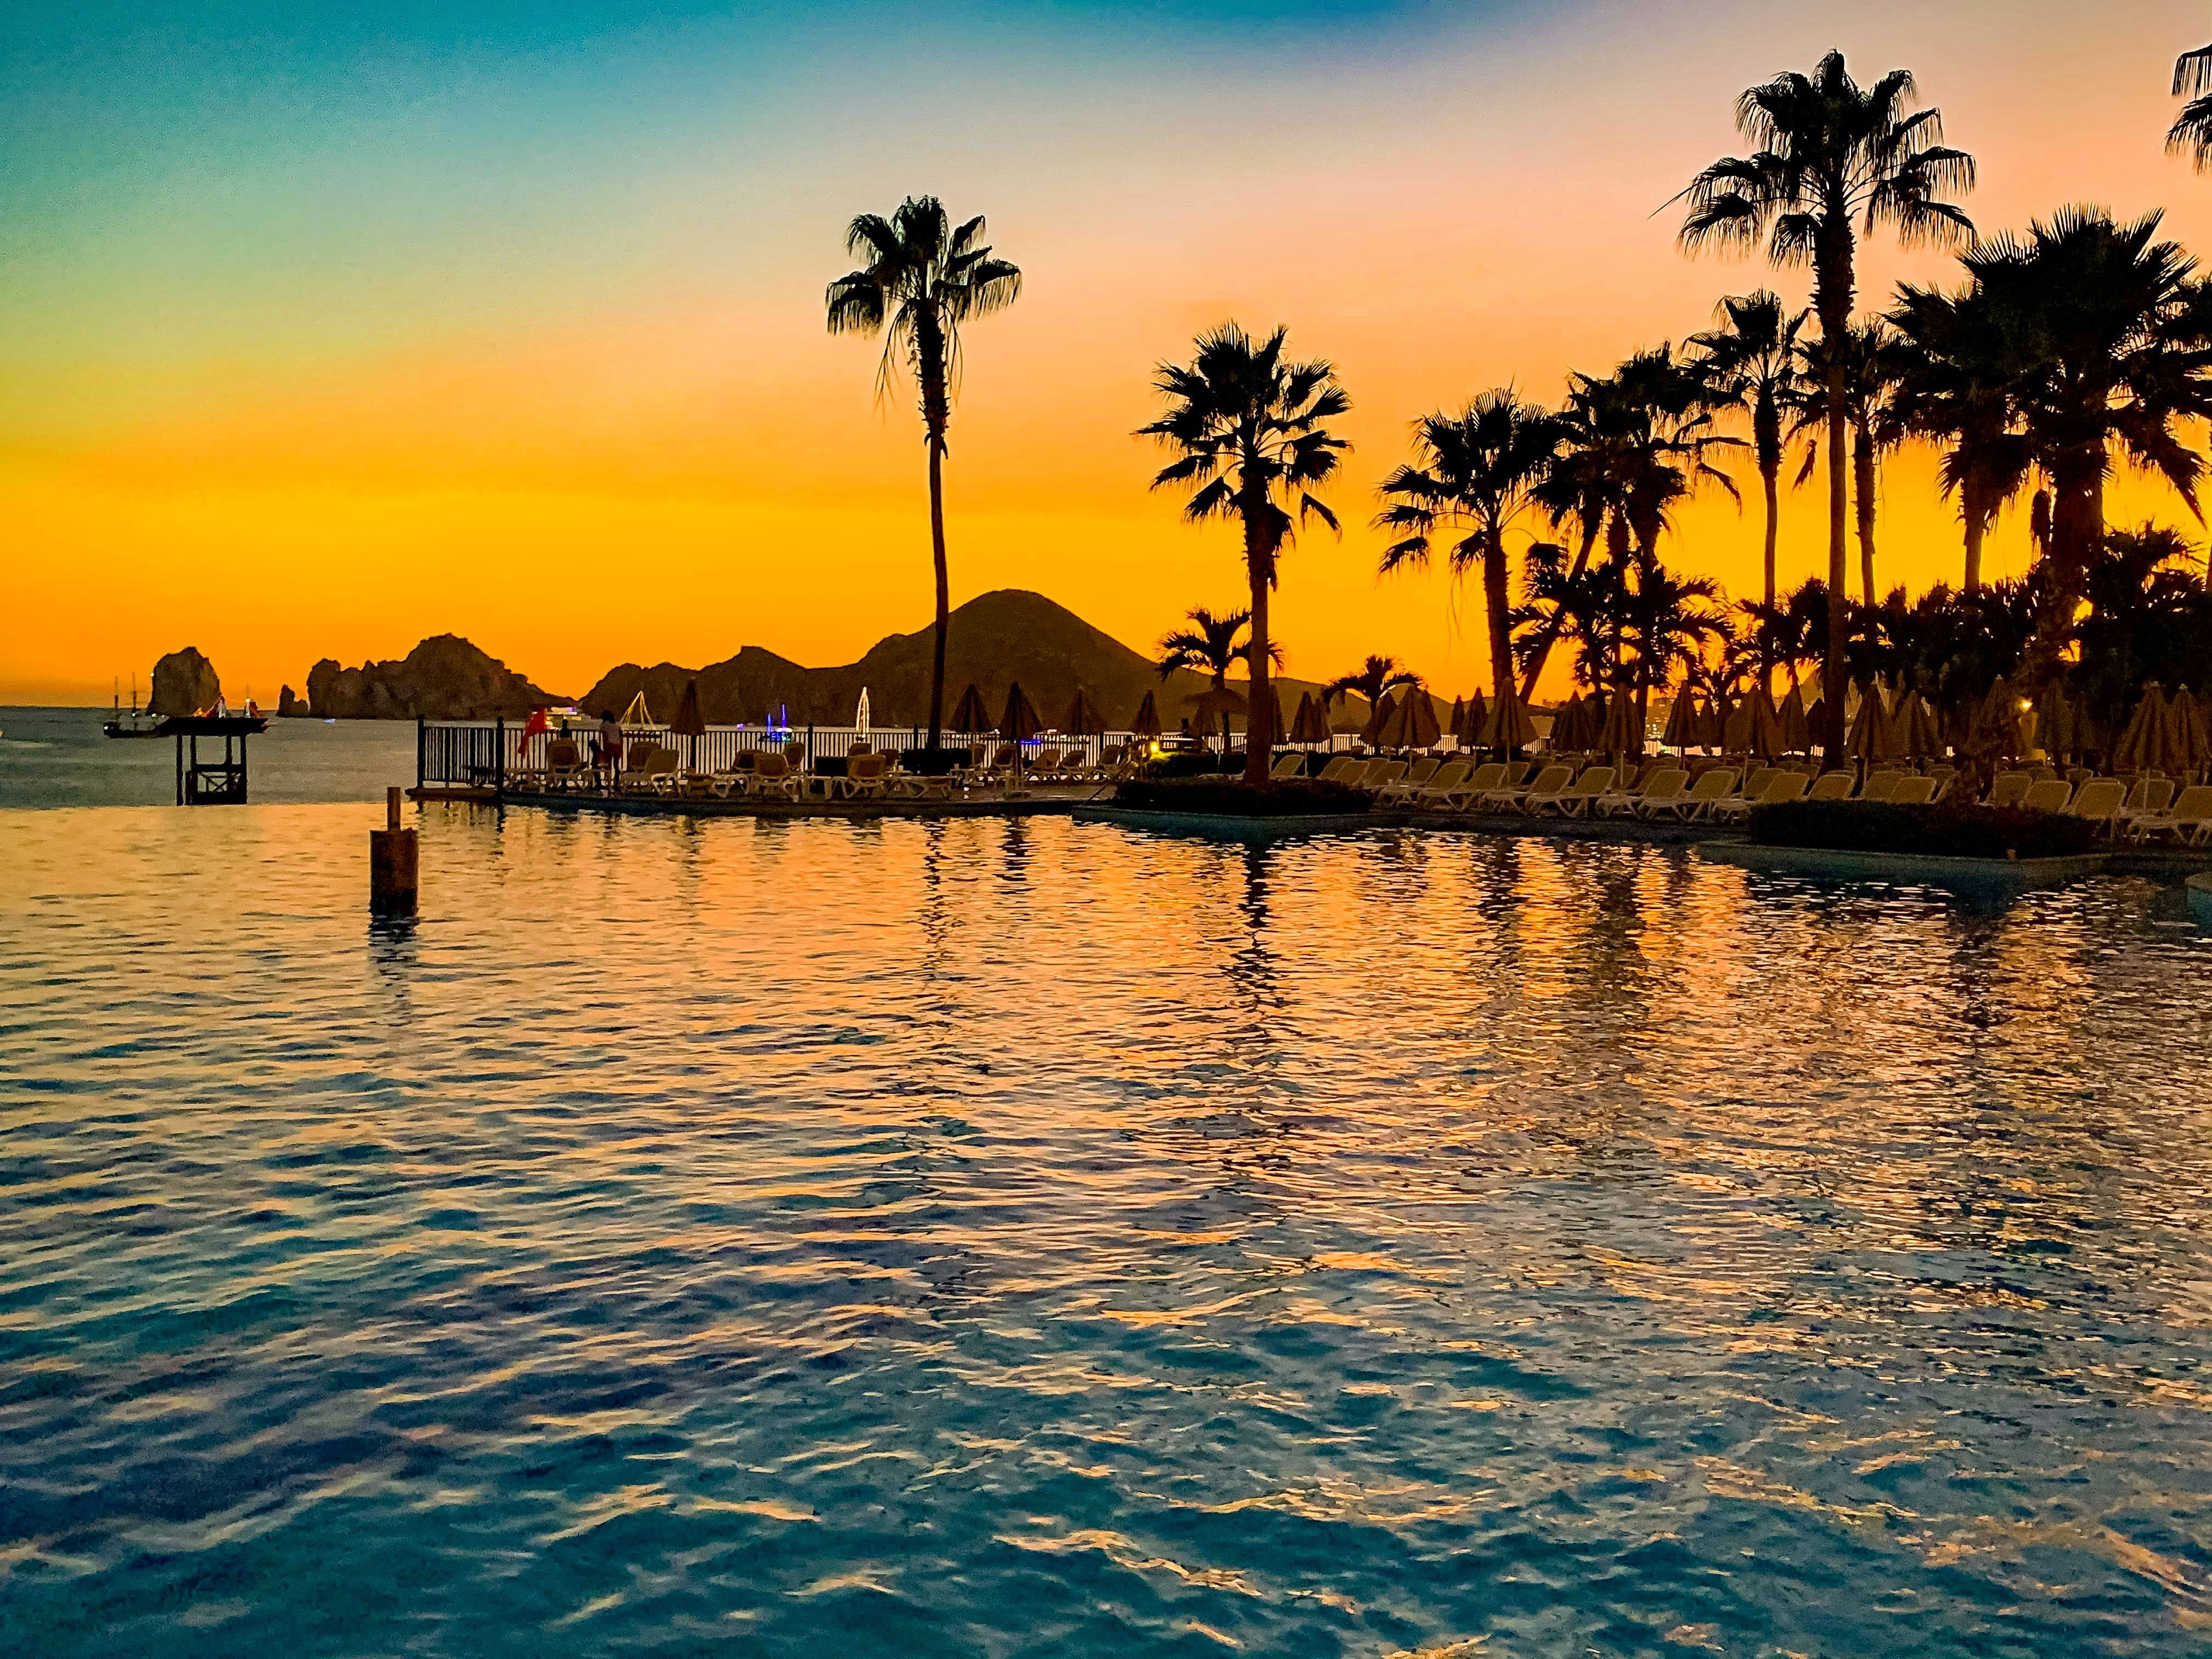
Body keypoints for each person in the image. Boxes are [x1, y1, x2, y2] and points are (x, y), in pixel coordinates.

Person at [596, 709, 623, 777]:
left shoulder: (605, 725)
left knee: (608, 765)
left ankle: (608, 781)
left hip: (609, 746)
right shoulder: (617, 725)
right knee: (616, 766)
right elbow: (621, 735)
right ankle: (616, 782)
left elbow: (601, 731)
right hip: (618, 746)